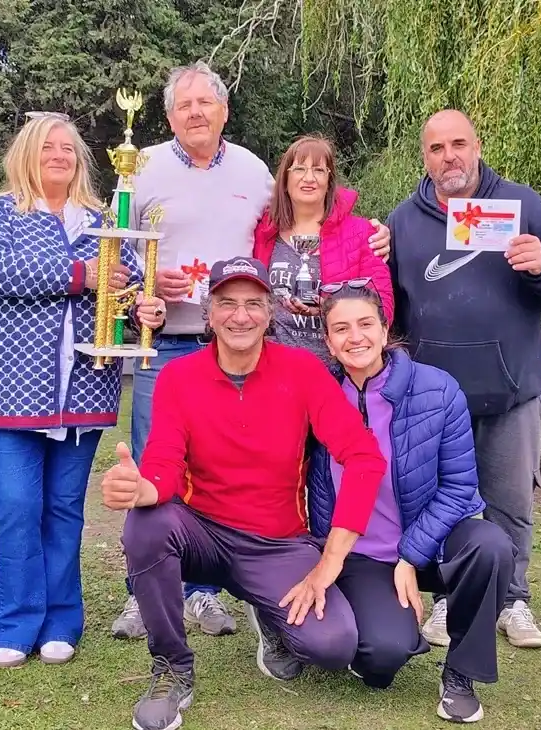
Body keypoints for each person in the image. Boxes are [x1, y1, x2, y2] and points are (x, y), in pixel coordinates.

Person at [111, 61, 392, 641]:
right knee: (155, 464)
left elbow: (303, 209)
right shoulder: (142, 166)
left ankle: (217, 591)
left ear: (224, 112)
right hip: (166, 340)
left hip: (254, 346)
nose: (195, 113)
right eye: (184, 105)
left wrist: (368, 229)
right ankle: (147, 592)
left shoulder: (253, 169)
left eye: (205, 104)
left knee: (276, 470)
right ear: (168, 116)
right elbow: (120, 251)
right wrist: (144, 286)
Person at [100, 257, 387, 730]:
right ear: (208, 313)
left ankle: (268, 612)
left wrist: (330, 559)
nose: (240, 316)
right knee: (147, 523)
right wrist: (143, 488)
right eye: (227, 303)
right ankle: (172, 664)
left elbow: (363, 457)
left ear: (270, 313)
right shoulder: (179, 376)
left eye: (253, 304)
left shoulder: (303, 370)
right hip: (203, 534)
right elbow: (165, 463)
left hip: (277, 543)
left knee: (333, 647)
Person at [0, 114, 168, 668]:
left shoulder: (105, 220)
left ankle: (61, 621)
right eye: (47, 147)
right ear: (26, 154)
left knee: (62, 509)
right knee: (17, 508)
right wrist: (81, 276)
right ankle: (14, 621)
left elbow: (127, 290)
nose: (59, 155)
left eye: (68, 148)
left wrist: (146, 310)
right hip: (13, 390)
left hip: (84, 389)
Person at [387, 109, 541, 650]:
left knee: (510, 500)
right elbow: (390, 307)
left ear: (477, 146)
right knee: (440, 501)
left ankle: (515, 598)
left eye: (459, 144)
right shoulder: (403, 221)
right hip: (432, 396)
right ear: (424, 157)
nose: (449, 156)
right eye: (436, 148)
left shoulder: (521, 205)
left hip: (510, 388)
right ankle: (452, 594)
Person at [308, 283, 513, 723]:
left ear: (385, 330)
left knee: (491, 546)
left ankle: (460, 674)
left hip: (432, 542)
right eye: (340, 328)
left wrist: (410, 555)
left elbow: (460, 486)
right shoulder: (318, 396)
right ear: (327, 341)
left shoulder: (438, 391)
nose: (355, 337)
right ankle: (381, 631)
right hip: (361, 553)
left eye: (365, 324)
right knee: (381, 658)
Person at [253, 134, 394, 360]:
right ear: (285, 180)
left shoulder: (362, 233)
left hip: (339, 367)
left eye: (319, 170)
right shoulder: (263, 232)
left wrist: (333, 309)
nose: (309, 178)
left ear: (329, 181)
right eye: (299, 169)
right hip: (273, 365)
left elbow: (382, 303)